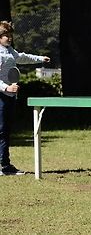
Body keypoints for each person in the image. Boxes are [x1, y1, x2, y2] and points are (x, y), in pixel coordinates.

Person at [0, 21, 50, 176]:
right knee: (1, 131)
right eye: (5, 35)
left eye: (10, 35)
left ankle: (5, 165)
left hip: (9, 96)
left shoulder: (10, 51)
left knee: (5, 131)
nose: (9, 38)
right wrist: (6, 87)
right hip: (1, 95)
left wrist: (40, 58)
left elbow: (22, 57)